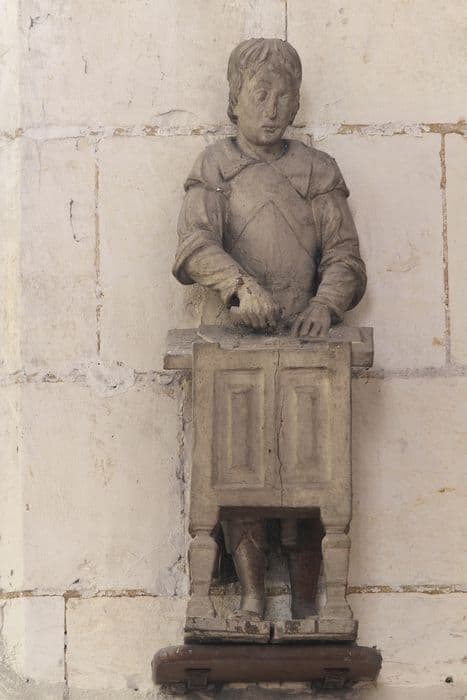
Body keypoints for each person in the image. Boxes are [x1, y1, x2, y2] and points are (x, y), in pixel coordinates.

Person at [173, 38, 366, 620]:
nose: (273, 107)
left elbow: (345, 256)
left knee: (313, 464)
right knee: (239, 465)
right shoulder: (216, 166)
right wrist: (238, 285)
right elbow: (194, 245)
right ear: (235, 99)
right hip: (239, 344)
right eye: (260, 93)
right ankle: (252, 594)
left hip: (306, 342)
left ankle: (311, 602)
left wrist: (325, 304)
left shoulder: (316, 169)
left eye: (284, 96)